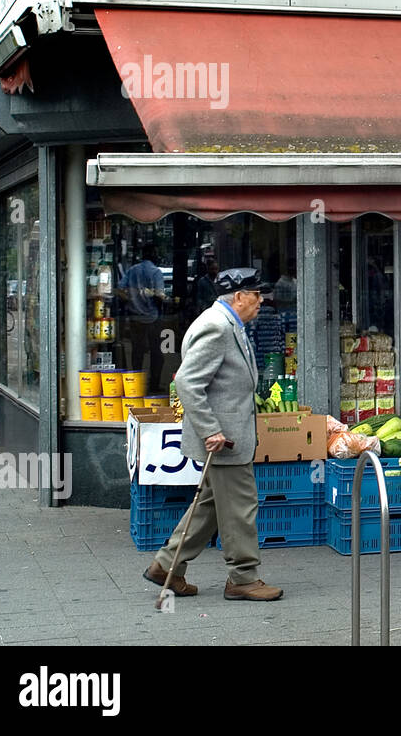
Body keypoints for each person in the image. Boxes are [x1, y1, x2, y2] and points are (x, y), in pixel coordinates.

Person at [143, 268, 283, 601]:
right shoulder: (217, 327)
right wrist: (211, 430)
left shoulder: (227, 324)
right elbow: (188, 382)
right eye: (256, 295)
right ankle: (243, 578)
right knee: (240, 507)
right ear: (238, 297)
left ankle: (166, 566)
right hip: (224, 439)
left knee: (207, 507)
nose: (261, 301)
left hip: (228, 435)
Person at [119, 246, 167, 385]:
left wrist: (131, 301)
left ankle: (135, 384)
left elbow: (120, 289)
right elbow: (159, 294)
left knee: (137, 351)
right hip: (152, 317)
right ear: (154, 256)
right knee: (156, 351)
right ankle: (154, 383)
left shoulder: (133, 270)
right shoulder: (156, 272)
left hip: (135, 317)